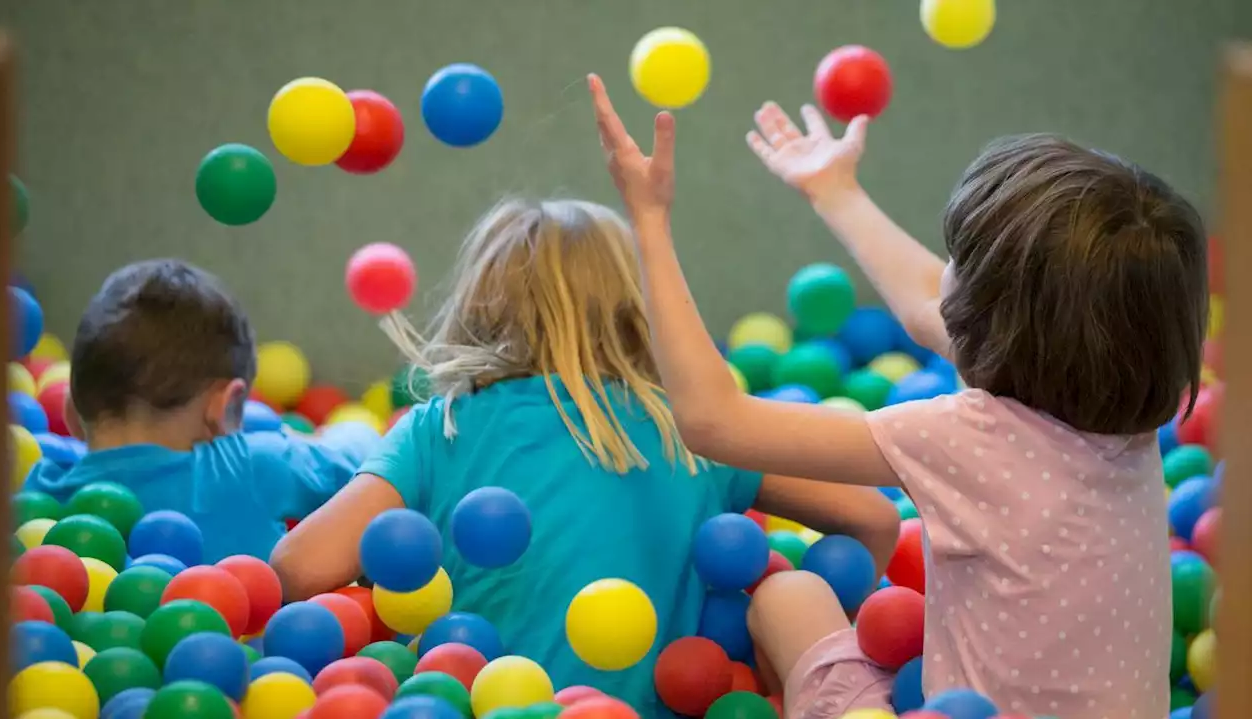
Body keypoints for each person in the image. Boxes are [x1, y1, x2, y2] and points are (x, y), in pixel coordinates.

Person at [587, 74, 1206, 719]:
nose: (943, 277)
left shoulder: (968, 438)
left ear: (991, 317)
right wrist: (834, 190)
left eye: (955, 261)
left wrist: (649, 220)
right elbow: (927, 306)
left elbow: (713, 421)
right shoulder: (1131, 409)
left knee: (788, 596)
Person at [270, 198, 899, 717]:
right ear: (639, 306)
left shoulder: (444, 427)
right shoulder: (691, 426)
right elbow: (873, 517)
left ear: (480, 306)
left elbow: (298, 568)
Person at [22, 260, 377, 563]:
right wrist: (322, 436)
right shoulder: (257, 465)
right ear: (225, 409)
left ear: (71, 413)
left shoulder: (41, 491)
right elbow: (367, 459)